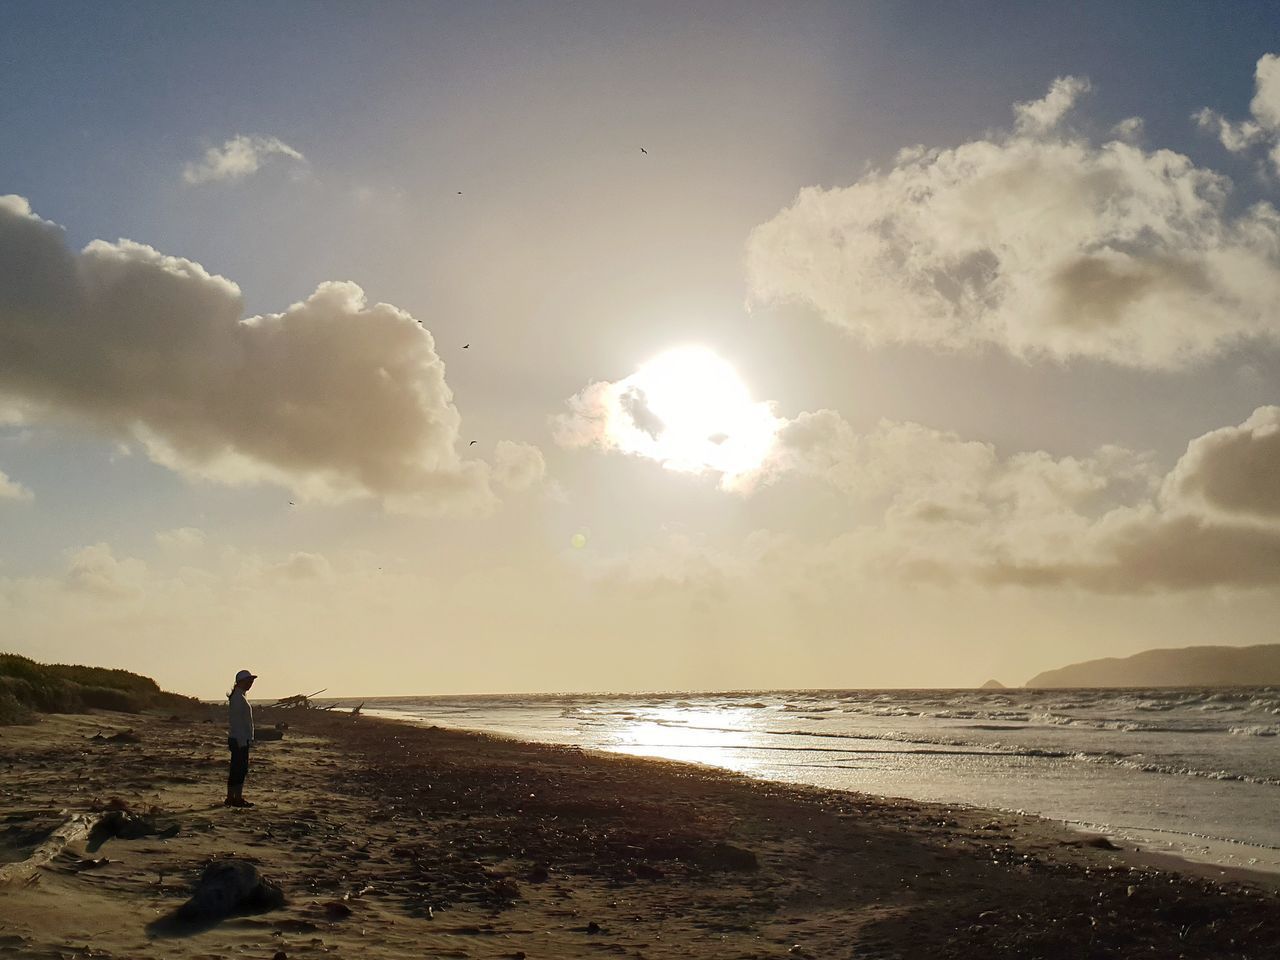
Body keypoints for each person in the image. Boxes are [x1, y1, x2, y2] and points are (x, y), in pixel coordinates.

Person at [226, 669, 257, 807]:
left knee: (237, 769)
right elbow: (237, 721)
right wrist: (242, 741)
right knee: (239, 769)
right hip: (239, 739)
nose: (251, 683)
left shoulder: (240, 696)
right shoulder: (238, 698)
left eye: (252, 681)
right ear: (241, 682)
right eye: (249, 681)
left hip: (240, 738)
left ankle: (233, 797)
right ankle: (235, 798)